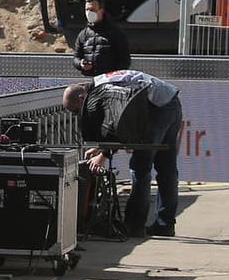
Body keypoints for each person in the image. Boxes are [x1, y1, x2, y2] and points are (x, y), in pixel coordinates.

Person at [62, 70, 182, 237]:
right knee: (167, 170)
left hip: (157, 109)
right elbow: (116, 122)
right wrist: (101, 147)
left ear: (82, 97)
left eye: (76, 111)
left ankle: (134, 225)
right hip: (170, 101)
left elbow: (122, 123)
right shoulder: (100, 84)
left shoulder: (104, 91)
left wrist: (103, 155)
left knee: (140, 166)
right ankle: (165, 225)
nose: (79, 115)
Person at [72, 0, 131, 75]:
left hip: (109, 81)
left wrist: (114, 77)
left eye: (92, 10)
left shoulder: (116, 33)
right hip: (89, 80)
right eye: (87, 10)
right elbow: (76, 58)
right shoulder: (83, 34)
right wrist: (80, 64)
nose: (89, 13)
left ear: (101, 11)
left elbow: (125, 60)